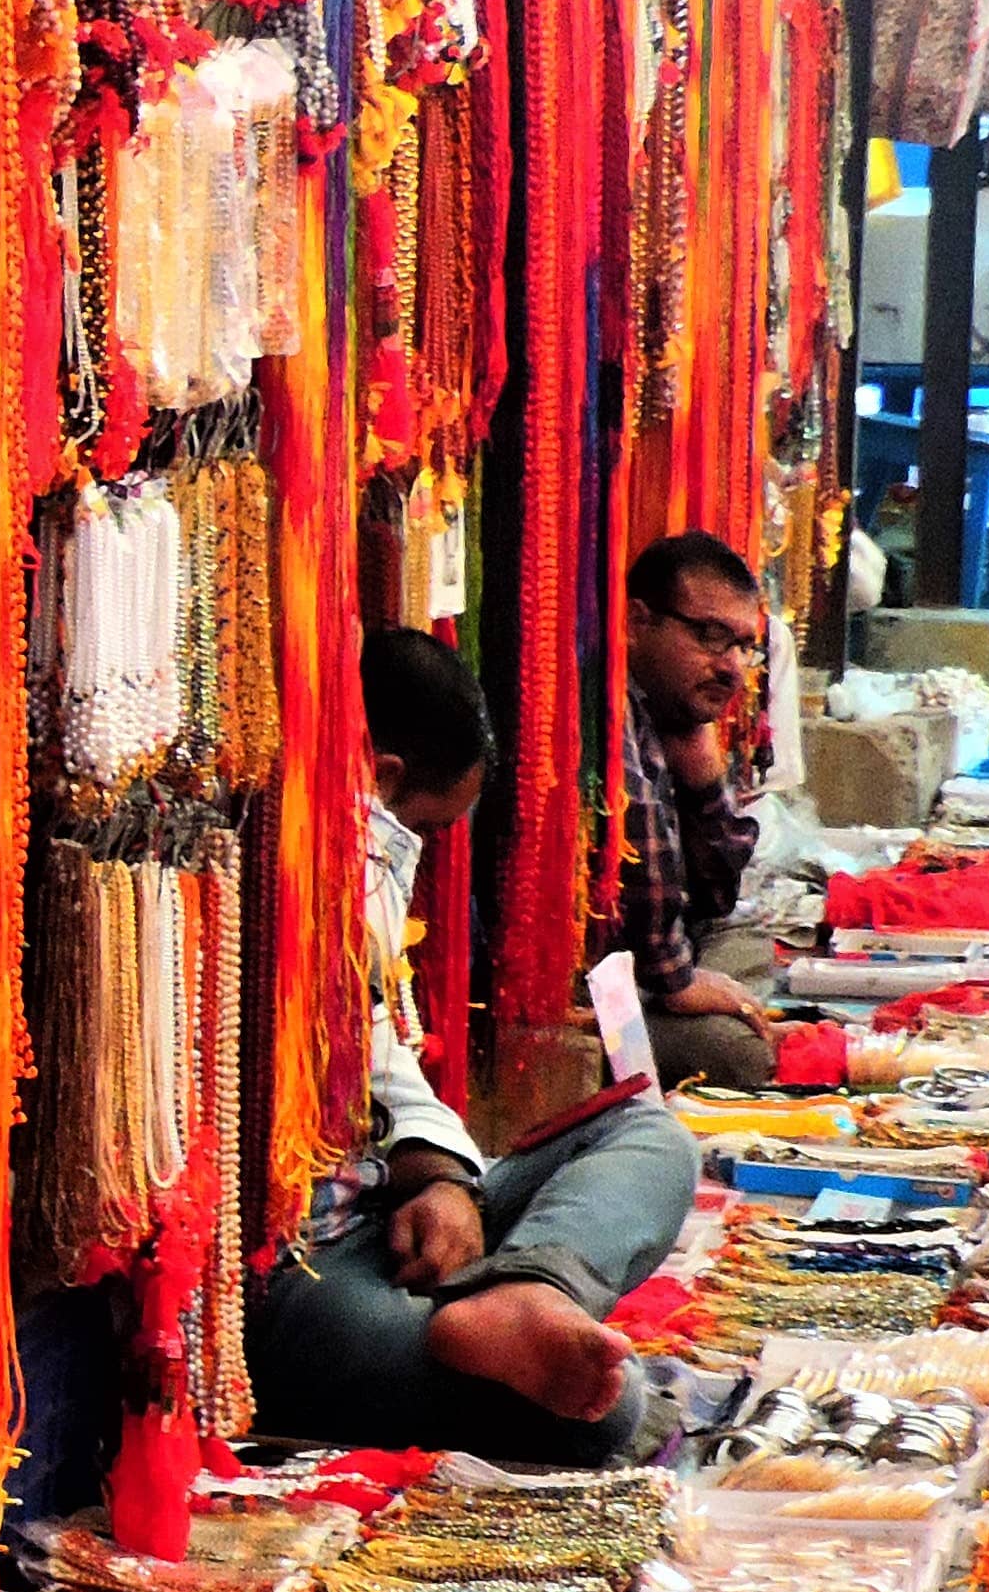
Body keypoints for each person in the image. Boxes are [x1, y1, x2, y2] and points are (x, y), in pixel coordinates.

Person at [246, 626, 697, 1460]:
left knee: (653, 1136)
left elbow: (388, 1067)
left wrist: (447, 1180)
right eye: (418, 825)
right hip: (307, 1278)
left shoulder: (364, 883)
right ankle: (507, 1313)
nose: (413, 857)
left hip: (394, 1214)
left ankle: (527, 1288)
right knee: (612, 1408)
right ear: (376, 781)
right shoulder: (272, 880)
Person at [616, 529, 777, 1091]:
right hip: (601, 990)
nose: (731, 667)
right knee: (739, 1052)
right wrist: (682, 984)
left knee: (750, 936)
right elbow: (650, 907)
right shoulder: (609, 710)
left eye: (742, 645)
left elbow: (715, 897)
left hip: (653, 968)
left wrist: (703, 777)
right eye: (711, 637)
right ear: (637, 623)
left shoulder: (675, 719)